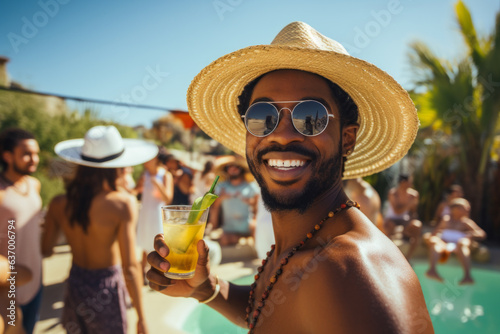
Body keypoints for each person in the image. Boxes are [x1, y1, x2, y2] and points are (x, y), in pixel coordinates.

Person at [147, 22, 433, 333]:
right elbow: (271, 312)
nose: (282, 135)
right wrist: (205, 288)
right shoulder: (303, 248)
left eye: (310, 116)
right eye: (262, 116)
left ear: (346, 139)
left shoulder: (347, 269)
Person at [41, 125, 158, 333]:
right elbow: (130, 267)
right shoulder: (122, 204)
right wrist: (142, 317)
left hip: (75, 283)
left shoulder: (58, 203)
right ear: (117, 166)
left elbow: (46, 250)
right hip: (106, 289)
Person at [0, 128, 43, 334]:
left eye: (36, 153)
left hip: (36, 283)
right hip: (7, 290)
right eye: (26, 154)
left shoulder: (35, 185)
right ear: (7, 156)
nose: (34, 159)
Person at [134, 146, 174, 281]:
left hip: (158, 214)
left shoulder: (165, 175)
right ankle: (141, 277)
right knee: (144, 246)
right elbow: (136, 191)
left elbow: (168, 198)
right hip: (146, 213)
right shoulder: (144, 175)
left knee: (160, 245)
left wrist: (158, 184)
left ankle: (162, 274)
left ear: (157, 158)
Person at [425, 198, 486, 284]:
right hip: (444, 244)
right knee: (435, 242)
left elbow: (481, 233)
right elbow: (435, 232)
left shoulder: (465, 222)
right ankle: (432, 270)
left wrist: (469, 235)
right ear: (455, 209)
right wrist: (432, 238)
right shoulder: (446, 220)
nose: (467, 210)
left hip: (459, 245)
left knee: (463, 243)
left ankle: (467, 276)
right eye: (464, 208)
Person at [209, 155, 259, 246]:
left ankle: (244, 239)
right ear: (226, 170)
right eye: (229, 167)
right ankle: (241, 238)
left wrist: (249, 201)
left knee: (255, 227)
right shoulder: (221, 186)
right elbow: (214, 207)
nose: (233, 169)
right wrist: (221, 198)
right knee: (224, 240)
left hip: (247, 225)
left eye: (236, 167)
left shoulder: (250, 186)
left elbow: (257, 206)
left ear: (242, 169)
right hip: (229, 227)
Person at [383, 174, 423, 260]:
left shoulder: (413, 194)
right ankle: (387, 256)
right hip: (392, 219)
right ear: (402, 182)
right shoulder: (393, 193)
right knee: (388, 227)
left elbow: (413, 212)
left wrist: (411, 224)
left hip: (405, 220)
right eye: (409, 182)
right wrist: (409, 204)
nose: (410, 184)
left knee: (417, 226)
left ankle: (408, 257)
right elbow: (397, 211)